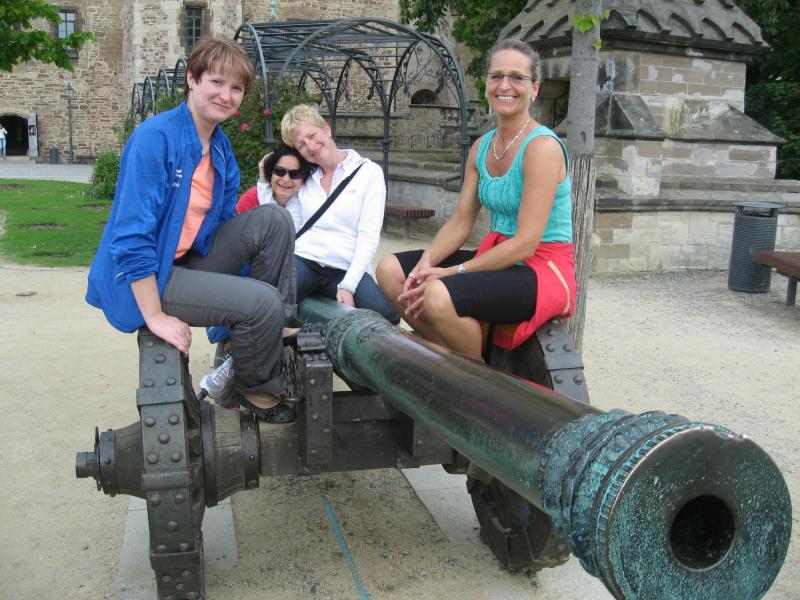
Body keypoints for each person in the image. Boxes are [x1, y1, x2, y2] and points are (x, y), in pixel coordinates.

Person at [86, 37, 298, 423]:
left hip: (190, 261)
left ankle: (265, 333)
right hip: (152, 277)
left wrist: (244, 303)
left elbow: (222, 228)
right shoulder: (155, 138)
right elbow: (131, 237)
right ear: (192, 79)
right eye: (216, 82)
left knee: (274, 220)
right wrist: (155, 315)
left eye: (236, 88)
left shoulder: (219, 148)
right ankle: (254, 389)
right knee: (262, 302)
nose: (226, 95)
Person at [376, 39, 576, 361]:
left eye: (517, 77)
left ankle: (477, 375)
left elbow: (526, 244)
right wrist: (427, 262)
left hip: (540, 267)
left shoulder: (542, 148)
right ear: (486, 85)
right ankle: (449, 353)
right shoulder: (482, 147)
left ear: (535, 89)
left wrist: (453, 273)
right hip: (498, 256)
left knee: (439, 294)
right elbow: (460, 222)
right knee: (392, 272)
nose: (504, 85)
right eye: (497, 76)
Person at [279, 104, 400, 324]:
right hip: (306, 260)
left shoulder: (368, 172)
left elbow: (368, 236)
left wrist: (348, 285)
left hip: (345, 266)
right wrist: (264, 182)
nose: (311, 146)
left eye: (312, 135)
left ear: (327, 129)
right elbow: (292, 226)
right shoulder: (304, 177)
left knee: (387, 317)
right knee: (273, 298)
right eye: (301, 145)